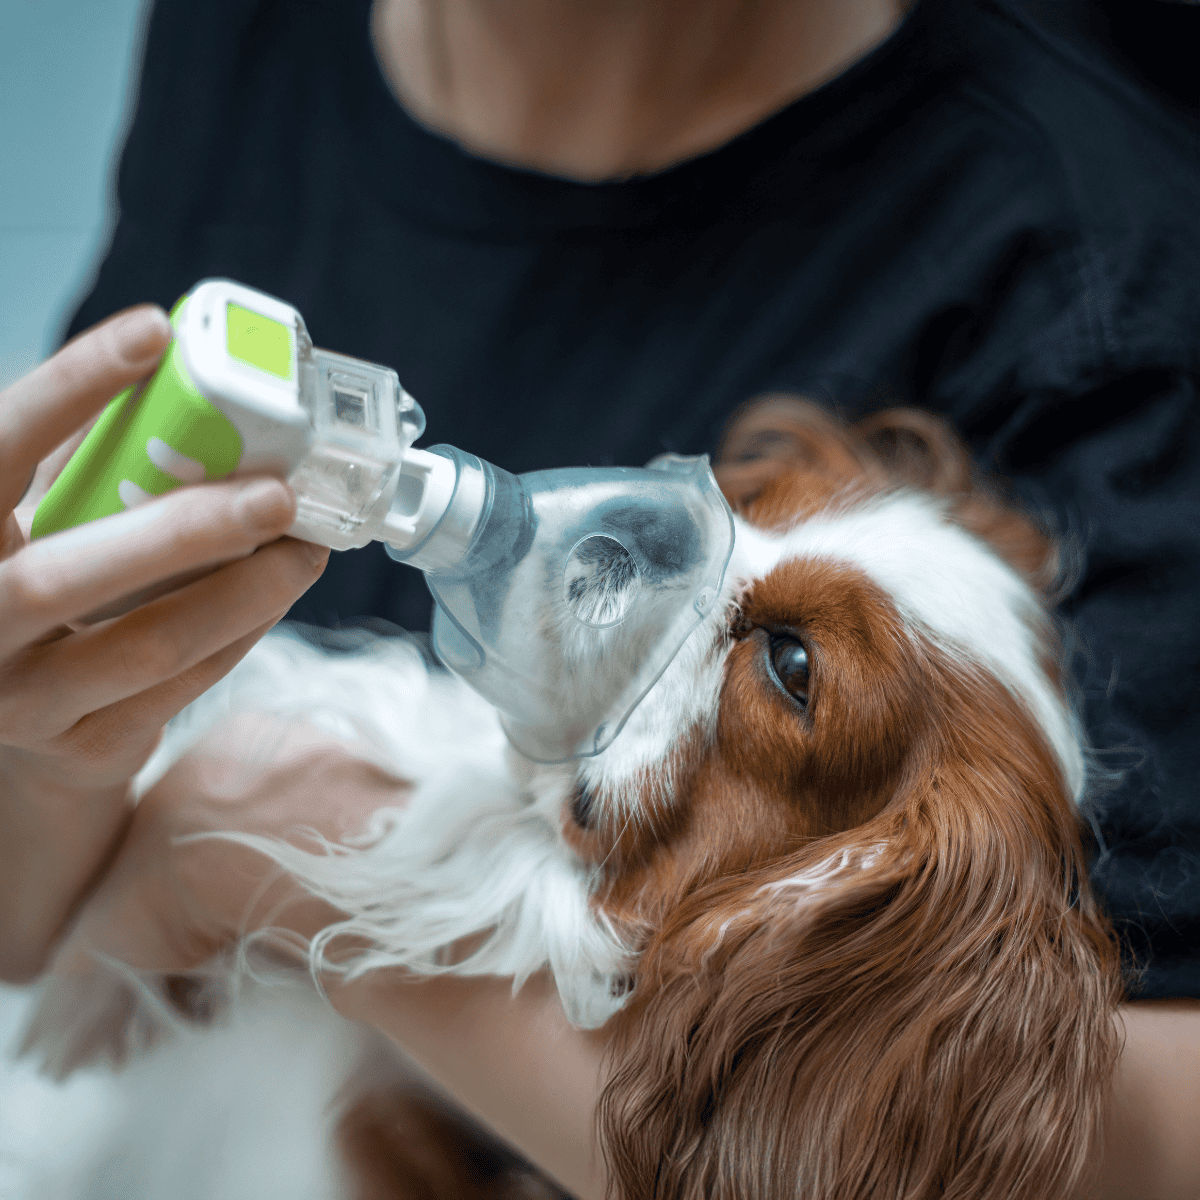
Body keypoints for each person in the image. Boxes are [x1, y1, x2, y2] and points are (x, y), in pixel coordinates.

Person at [3, 0, 1199, 1193]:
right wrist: (53, 755)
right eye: (750, 499)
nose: (665, 561)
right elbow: (30, 937)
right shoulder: (251, 34)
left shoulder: (1104, 261)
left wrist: (297, 841)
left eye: (791, 664)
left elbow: (1144, 1150)